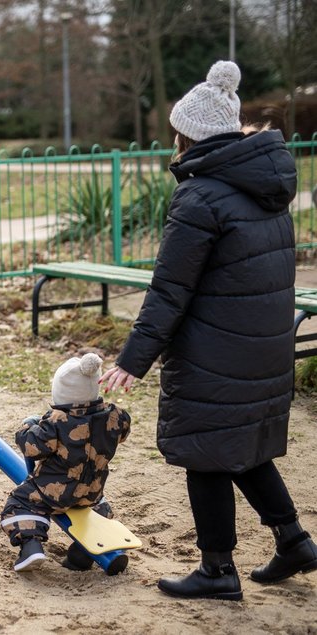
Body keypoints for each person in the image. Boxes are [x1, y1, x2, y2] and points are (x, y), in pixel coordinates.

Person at [100, 61, 317, 600]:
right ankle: (293, 541)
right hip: (264, 345)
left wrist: (132, 359)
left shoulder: (199, 197)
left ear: (188, 135)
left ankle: (218, 571)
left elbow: (169, 290)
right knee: (241, 445)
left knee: (206, 451)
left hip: (213, 349)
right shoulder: (266, 186)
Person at [1, 352, 131, 572]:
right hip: (92, 492)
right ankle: (83, 556)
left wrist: (28, 426)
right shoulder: (116, 417)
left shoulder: (57, 422)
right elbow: (123, 433)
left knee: (19, 502)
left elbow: (31, 447)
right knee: (98, 510)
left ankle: (31, 546)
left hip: (54, 490)